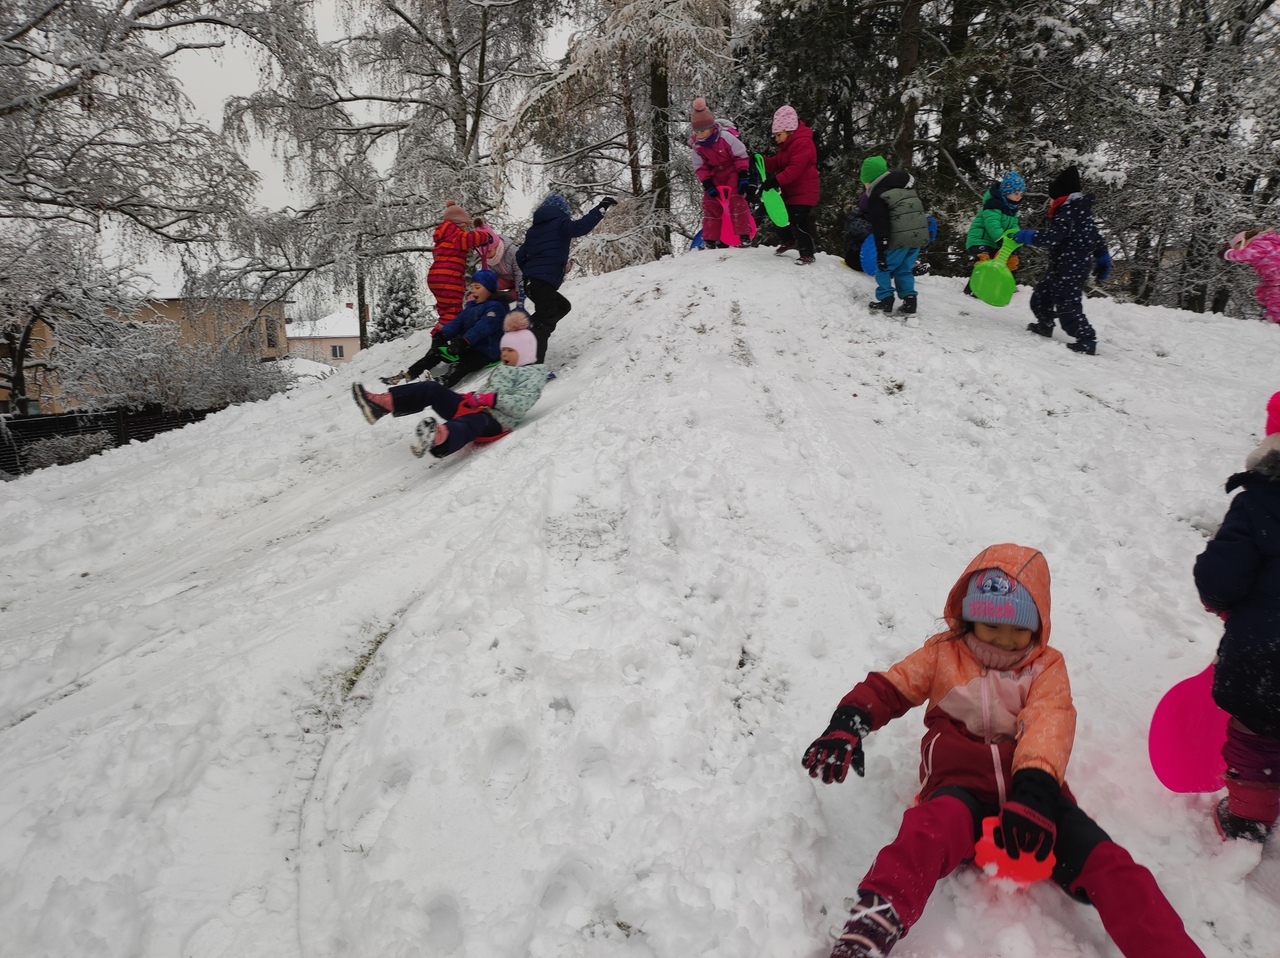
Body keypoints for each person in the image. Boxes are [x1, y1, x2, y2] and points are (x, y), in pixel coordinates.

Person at [803, 543, 1206, 958]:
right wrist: (850, 720)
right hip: (959, 790)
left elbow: (1050, 721)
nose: (1005, 640)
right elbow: (893, 686)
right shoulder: (943, 654)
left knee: (1111, 865)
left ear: (1039, 625)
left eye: (1019, 629)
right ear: (969, 618)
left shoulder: (1045, 667)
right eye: (992, 625)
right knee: (924, 833)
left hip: (1035, 799)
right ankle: (872, 924)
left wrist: (1034, 794)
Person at [1193, 390, 1280, 843]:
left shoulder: (1259, 502)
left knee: (1256, 734)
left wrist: (1217, 599)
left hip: (1265, 657)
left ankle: (1248, 818)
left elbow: (1221, 576)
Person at [351, 313, 547, 459]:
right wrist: (473, 396)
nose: (504, 354)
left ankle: (439, 437)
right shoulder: (504, 369)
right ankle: (382, 404)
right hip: (475, 406)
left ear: (524, 351)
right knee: (431, 388)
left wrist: (489, 399)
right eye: (503, 349)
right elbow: (488, 390)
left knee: (471, 423)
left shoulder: (532, 375)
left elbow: (522, 404)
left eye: (510, 350)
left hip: (495, 421)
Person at [1014, 166, 1110, 355]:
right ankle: (1045, 324)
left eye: (1051, 198)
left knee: (1068, 305)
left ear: (1060, 196)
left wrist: (1026, 236)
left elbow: (1052, 237)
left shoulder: (1066, 214)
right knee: (1041, 296)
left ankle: (1086, 339)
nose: (1050, 202)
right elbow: (1096, 238)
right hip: (1061, 266)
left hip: (1071, 269)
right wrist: (1102, 257)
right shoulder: (1081, 213)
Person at [515, 192, 616, 365]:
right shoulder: (560, 222)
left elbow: (519, 255)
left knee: (562, 306)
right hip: (543, 282)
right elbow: (581, 227)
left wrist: (530, 271)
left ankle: (525, 331)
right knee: (545, 323)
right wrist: (601, 207)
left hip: (531, 282)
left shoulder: (533, 231)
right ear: (562, 210)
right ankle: (531, 367)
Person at [392, 270, 508, 387]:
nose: (473, 291)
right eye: (472, 287)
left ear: (489, 289)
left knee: (460, 365)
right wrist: (442, 335)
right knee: (435, 353)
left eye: (477, 287)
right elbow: (457, 322)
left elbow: (482, 327)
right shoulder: (472, 307)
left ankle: (440, 383)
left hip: (486, 350)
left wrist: (464, 341)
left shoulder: (496, 307)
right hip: (469, 346)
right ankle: (410, 374)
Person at [861, 155, 930, 316]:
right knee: (904, 269)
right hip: (917, 236)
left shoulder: (878, 195)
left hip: (897, 239)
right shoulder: (906, 188)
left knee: (884, 267)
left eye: (865, 182)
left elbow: (881, 223)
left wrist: (882, 247)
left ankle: (886, 299)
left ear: (870, 179)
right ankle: (910, 301)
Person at [688, 97, 753, 250]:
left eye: (702, 131)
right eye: (696, 132)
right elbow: (700, 167)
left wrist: (743, 175)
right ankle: (710, 239)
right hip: (714, 176)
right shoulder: (697, 147)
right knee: (710, 204)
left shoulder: (726, 137)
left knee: (736, 200)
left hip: (731, 172)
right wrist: (707, 183)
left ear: (711, 127)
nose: (699, 134)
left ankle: (744, 235)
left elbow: (740, 155)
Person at [760, 105, 820, 265]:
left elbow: (795, 169)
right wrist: (762, 161)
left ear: (789, 130)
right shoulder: (786, 147)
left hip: (805, 191)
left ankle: (807, 253)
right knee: (779, 214)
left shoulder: (803, 144)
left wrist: (775, 180)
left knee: (798, 221)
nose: (776, 139)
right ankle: (788, 239)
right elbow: (777, 163)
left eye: (778, 135)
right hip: (792, 192)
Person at [429, 199, 493, 332]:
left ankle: (442, 333)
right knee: (453, 311)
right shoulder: (456, 235)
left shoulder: (442, 238)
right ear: (460, 224)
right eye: (466, 226)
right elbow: (471, 238)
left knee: (445, 311)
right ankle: (442, 337)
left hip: (435, 278)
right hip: (448, 279)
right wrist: (486, 236)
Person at [963, 171, 1024, 296]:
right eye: (1016, 193)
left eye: (1021, 193)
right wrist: (1000, 238)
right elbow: (992, 224)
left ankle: (1007, 283)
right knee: (984, 260)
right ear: (1006, 192)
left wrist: (1015, 238)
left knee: (1011, 258)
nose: (1019, 197)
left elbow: (1014, 225)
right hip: (980, 239)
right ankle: (974, 287)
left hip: (996, 240)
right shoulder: (993, 205)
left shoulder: (1012, 208)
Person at [1220, 229, 1280, 323]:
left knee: (1274, 297)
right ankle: (1271, 316)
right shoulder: (1265, 243)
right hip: (1272, 277)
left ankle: (1277, 319)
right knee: (1262, 293)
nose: (1237, 250)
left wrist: (1228, 253)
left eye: (1236, 248)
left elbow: (1246, 254)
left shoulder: (1260, 243)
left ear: (1242, 242)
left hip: (1276, 277)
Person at [473, 216, 524, 299]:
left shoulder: (511, 251)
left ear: (496, 246)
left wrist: (520, 291)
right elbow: (491, 277)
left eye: (489, 251)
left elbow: (519, 273)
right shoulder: (488, 259)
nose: (486, 255)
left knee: (521, 290)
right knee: (485, 287)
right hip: (506, 280)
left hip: (521, 278)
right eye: (484, 253)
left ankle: (511, 295)